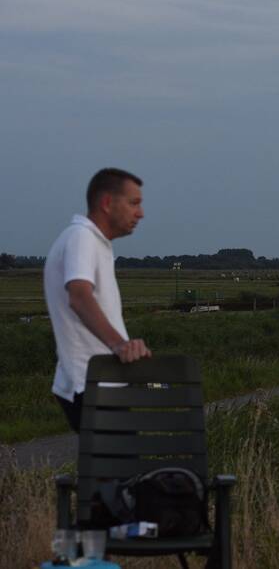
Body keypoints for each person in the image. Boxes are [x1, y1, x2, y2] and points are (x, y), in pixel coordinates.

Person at [44, 168, 151, 433]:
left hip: (101, 381)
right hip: (90, 382)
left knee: (114, 470)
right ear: (106, 203)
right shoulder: (82, 237)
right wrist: (120, 345)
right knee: (115, 469)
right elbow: (79, 295)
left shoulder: (94, 242)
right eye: (133, 203)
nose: (141, 213)